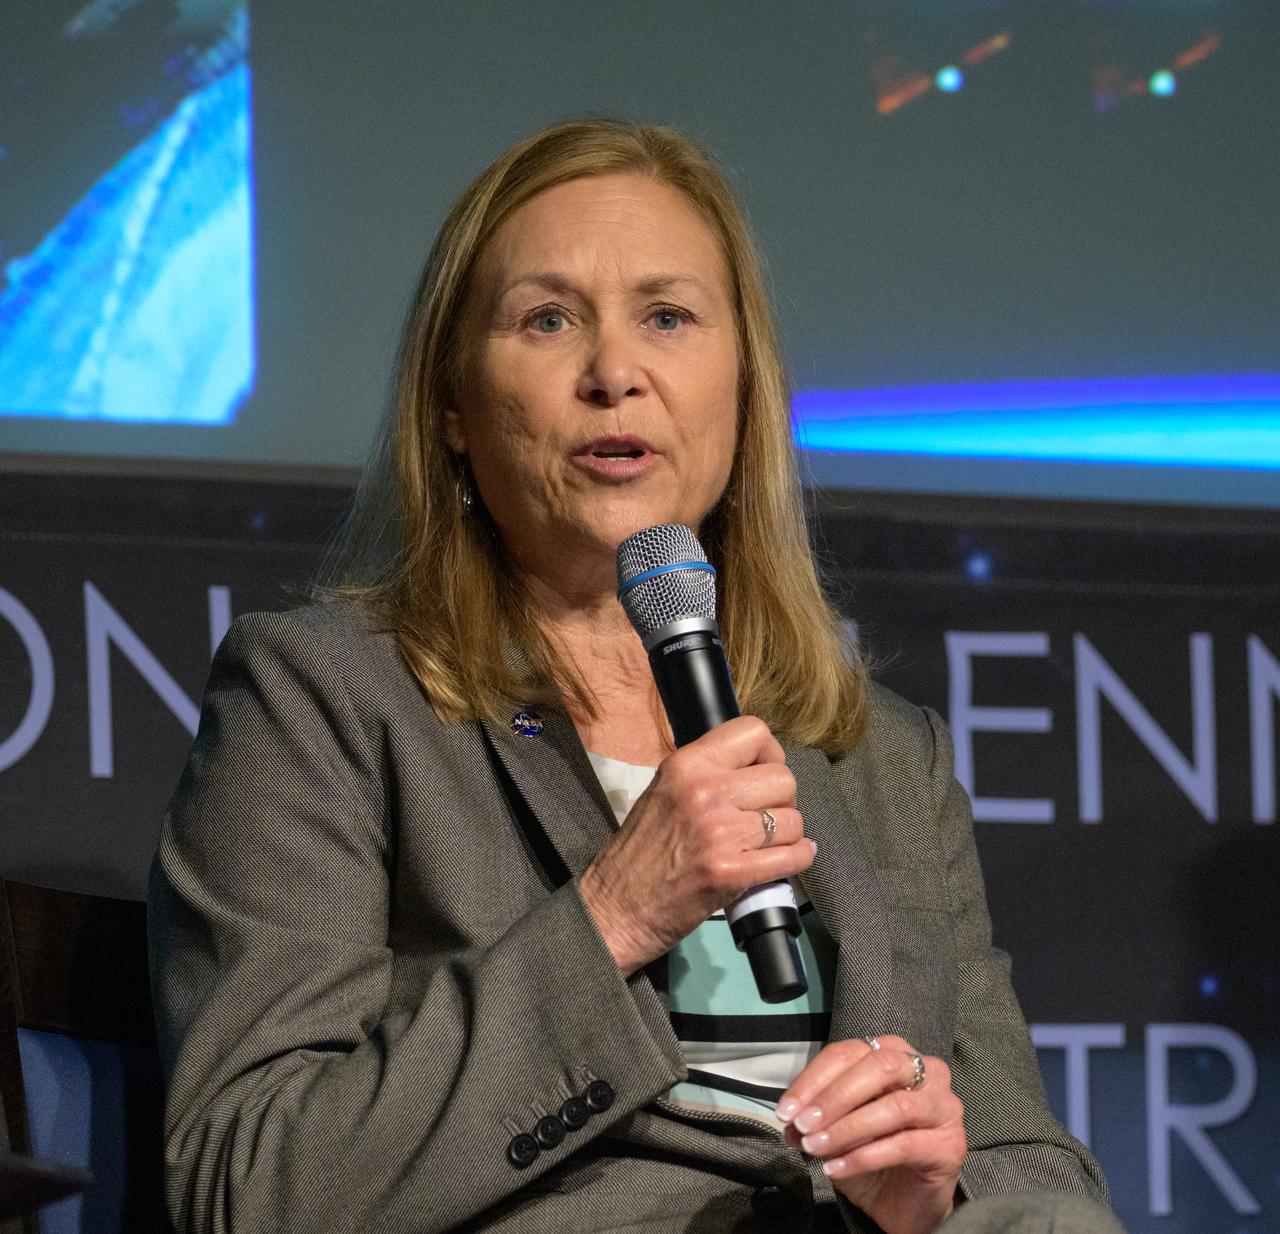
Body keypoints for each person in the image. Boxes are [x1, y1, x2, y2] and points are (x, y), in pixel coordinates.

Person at [148, 119, 1125, 1234]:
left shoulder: (881, 757)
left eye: (667, 317)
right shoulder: (323, 698)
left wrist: (928, 1191)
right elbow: (249, 1184)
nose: (615, 374)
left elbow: (1030, 1165)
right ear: (452, 408)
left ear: (743, 389)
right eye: (548, 319)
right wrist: (612, 913)